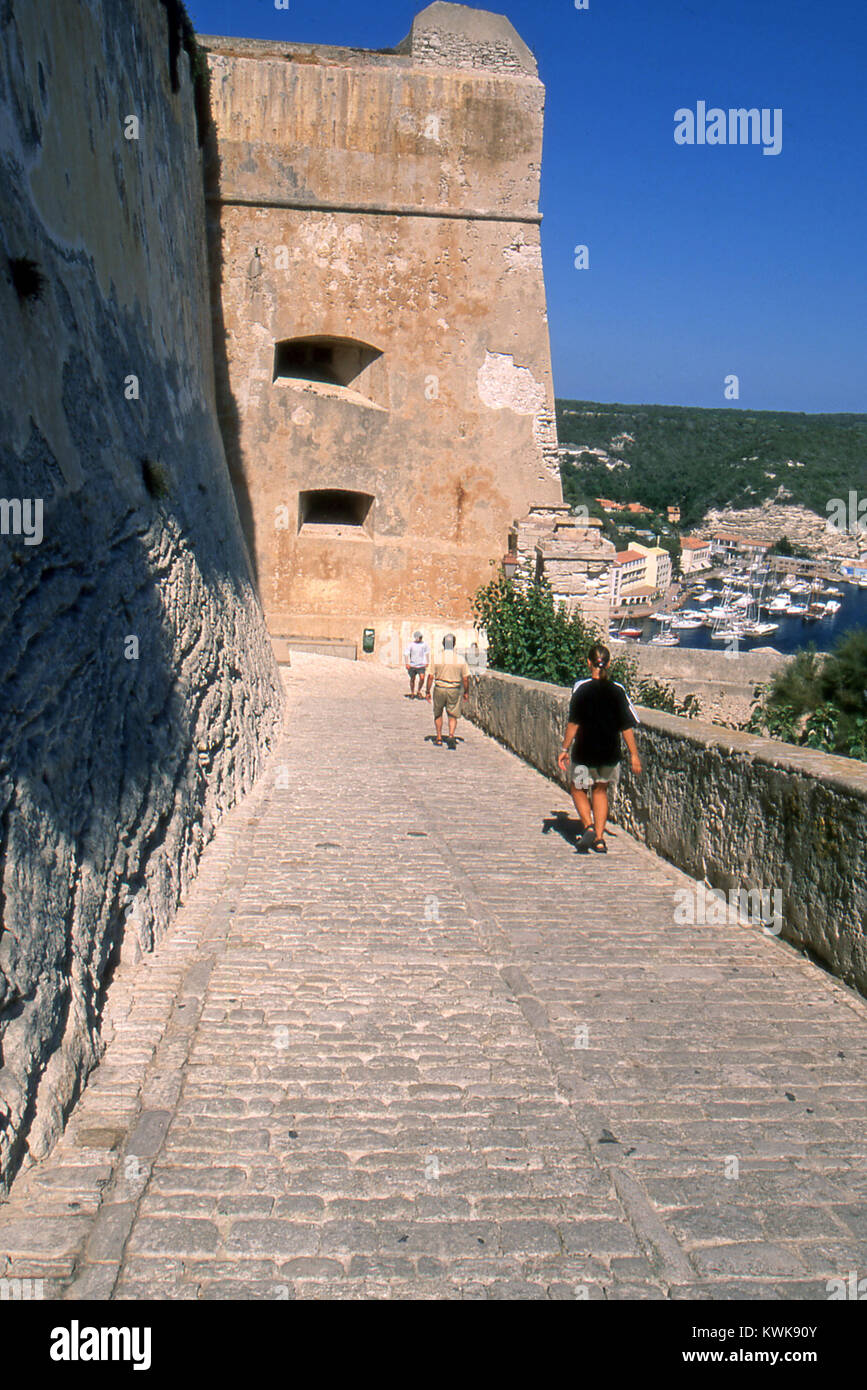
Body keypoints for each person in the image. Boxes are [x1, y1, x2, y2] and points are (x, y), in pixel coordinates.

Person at [557, 643, 642, 853]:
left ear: (589, 663)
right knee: (600, 790)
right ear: (609, 663)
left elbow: (573, 723)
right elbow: (626, 726)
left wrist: (564, 749)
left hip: (585, 750)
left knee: (578, 789)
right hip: (609, 751)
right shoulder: (617, 690)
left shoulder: (581, 689)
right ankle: (600, 838)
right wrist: (634, 755)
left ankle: (588, 826)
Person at [426, 634, 469, 746]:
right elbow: (465, 678)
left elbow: (430, 676)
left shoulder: (436, 658)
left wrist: (427, 691)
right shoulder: (460, 659)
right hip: (454, 689)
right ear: (454, 644)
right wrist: (466, 692)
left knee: (438, 713)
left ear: (443, 644)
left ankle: (439, 738)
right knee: (452, 714)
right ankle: (451, 735)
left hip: (439, 688)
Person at [404, 630, 429, 698]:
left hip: (421, 665)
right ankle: (412, 692)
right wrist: (407, 663)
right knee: (412, 679)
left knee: (422, 678)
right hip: (413, 665)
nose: (420, 638)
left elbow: (426, 653)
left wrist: (427, 661)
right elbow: (406, 653)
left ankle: (418, 691)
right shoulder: (411, 645)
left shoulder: (424, 644)